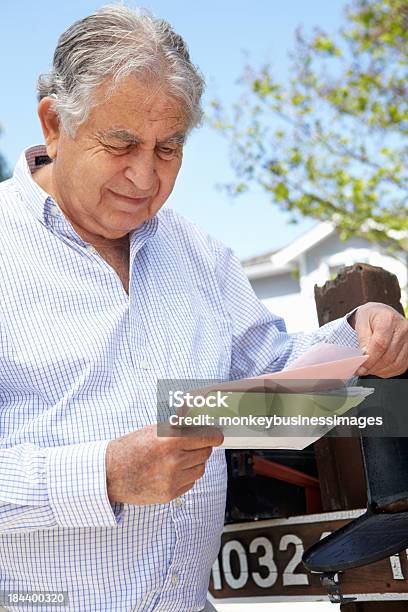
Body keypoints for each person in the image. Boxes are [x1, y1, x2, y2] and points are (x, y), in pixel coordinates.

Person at [0, 5, 407, 612]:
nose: (145, 177)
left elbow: (271, 377)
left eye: (169, 148)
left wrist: (361, 337)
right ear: (55, 123)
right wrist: (103, 476)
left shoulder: (200, 255)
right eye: (121, 144)